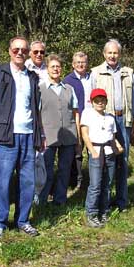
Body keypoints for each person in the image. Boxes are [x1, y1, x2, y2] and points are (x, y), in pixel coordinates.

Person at [0, 36, 44, 239]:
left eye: (24, 50)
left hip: (28, 136)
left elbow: (37, 109)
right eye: (16, 49)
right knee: (2, 181)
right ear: (9, 51)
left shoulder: (33, 77)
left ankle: (23, 220)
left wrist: (40, 133)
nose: (20, 53)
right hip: (5, 135)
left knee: (27, 181)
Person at [90, 39, 134, 212]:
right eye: (109, 53)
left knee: (123, 161)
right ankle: (104, 201)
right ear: (104, 54)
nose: (112, 56)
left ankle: (122, 201)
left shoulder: (128, 73)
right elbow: (90, 101)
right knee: (106, 162)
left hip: (123, 120)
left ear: (120, 54)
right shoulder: (96, 73)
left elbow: (133, 98)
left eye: (115, 53)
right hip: (105, 122)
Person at [38, 54, 80, 205]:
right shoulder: (40, 89)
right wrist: (40, 135)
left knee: (65, 169)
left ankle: (59, 199)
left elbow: (75, 113)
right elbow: (37, 114)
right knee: (46, 170)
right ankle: (42, 200)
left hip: (69, 135)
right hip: (48, 136)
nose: (55, 69)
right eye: (52, 67)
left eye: (58, 66)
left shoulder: (69, 89)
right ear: (47, 69)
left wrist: (78, 137)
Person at [81, 88, 120, 227]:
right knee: (95, 185)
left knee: (107, 184)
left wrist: (116, 148)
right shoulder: (87, 114)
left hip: (109, 152)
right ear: (92, 102)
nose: (100, 103)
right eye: (97, 100)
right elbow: (85, 134)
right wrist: (92, 151)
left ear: (106, 102)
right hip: (96, 152)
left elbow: (112, 136)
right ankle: (91, 213)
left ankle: (104, 210)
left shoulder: (110, 118)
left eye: (102, 100)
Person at [64, 51, 92, 189]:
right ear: (73, 64)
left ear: (87, 64)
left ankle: (93, 180)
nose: (81, 65)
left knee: (93, 149)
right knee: (77, 151)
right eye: (78, 62)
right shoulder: (67, 81)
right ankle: (77, 182)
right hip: (77, 120)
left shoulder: (92, 78)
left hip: (93, 120)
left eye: (83, 62)